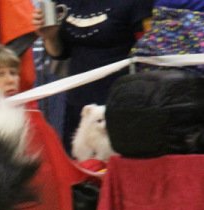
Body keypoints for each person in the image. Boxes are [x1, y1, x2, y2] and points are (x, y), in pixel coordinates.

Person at [33, 0, 154, 150]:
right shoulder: (63, 2)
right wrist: (50, 36)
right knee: (79, 165)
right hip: (77, 102)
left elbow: (149, 51)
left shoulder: (136, 3)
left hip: (120, 103)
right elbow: (59, 53)